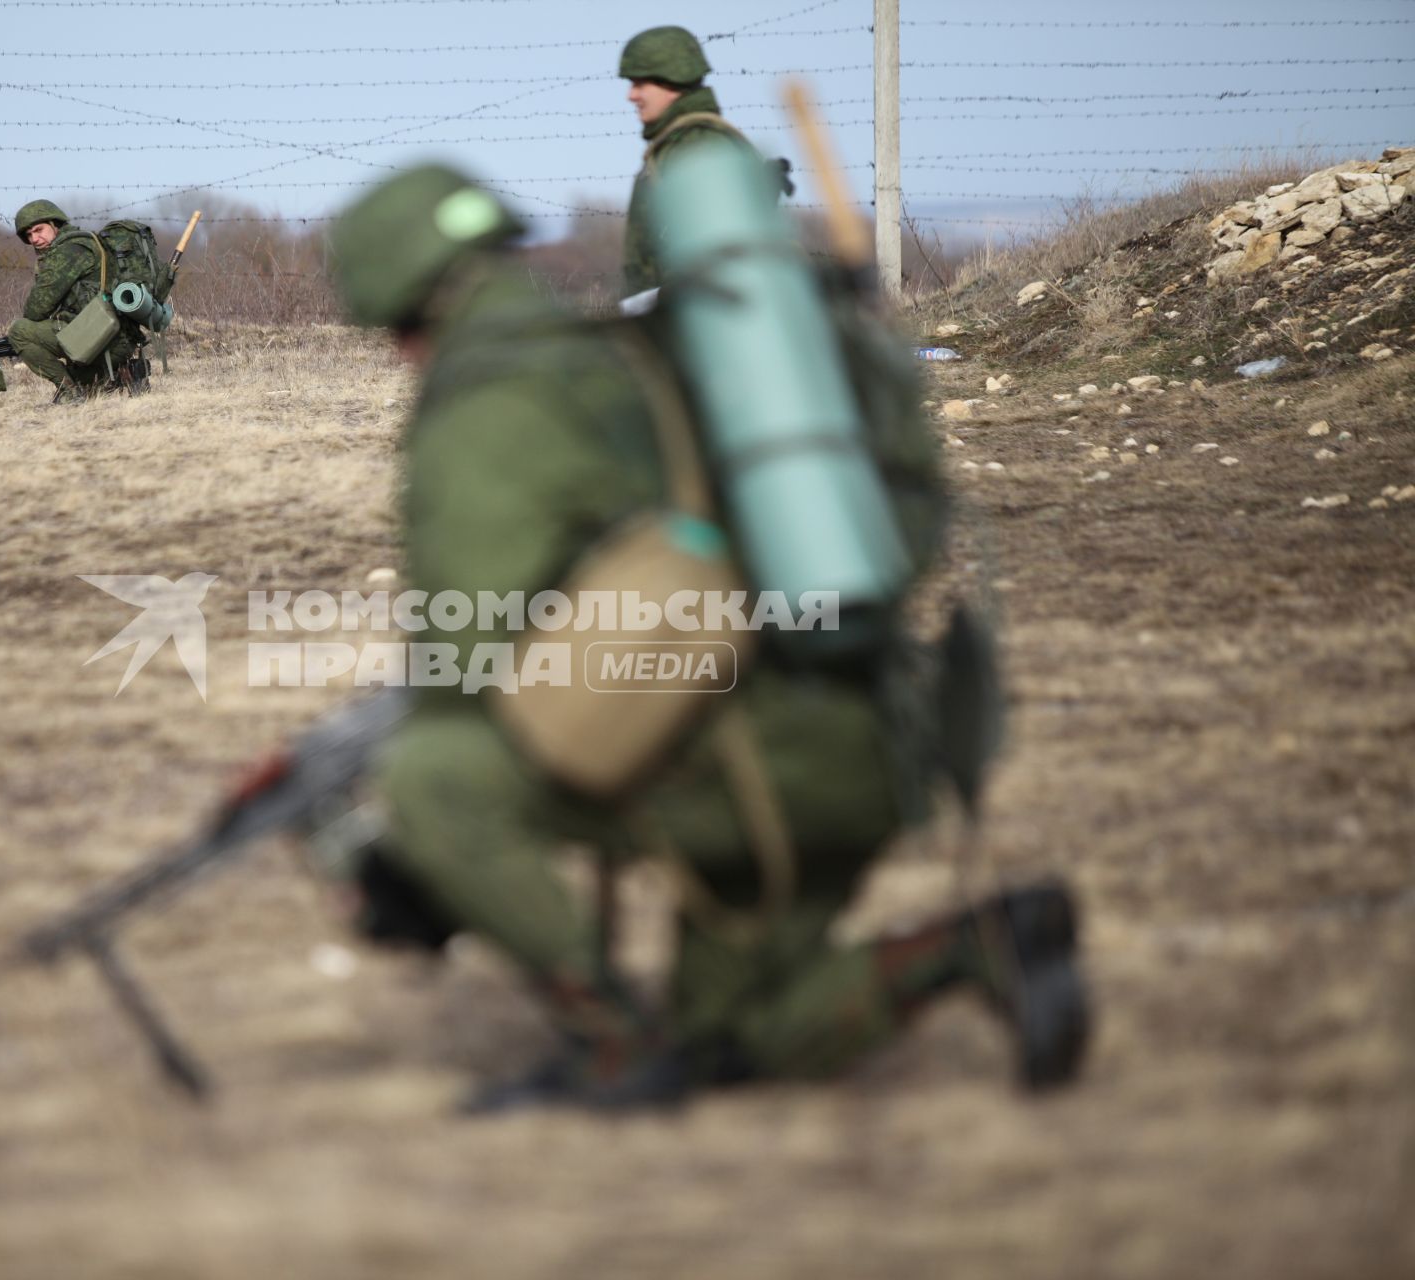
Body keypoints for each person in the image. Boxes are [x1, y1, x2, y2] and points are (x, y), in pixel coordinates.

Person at [326, 164, 1090, 1113]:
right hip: (872, 729)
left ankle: (610, 1048)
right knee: (731, 1039)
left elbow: (468, 647)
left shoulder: (490, 400)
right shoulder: (633, 344)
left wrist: (426, 857)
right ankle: (987, 947)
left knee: (436, 776)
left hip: (743, 765)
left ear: (405, 309)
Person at [619, 25, 792, 297]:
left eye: (641, 83)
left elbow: (719, 258)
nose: (631, 95)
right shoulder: (678, 143)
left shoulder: (697, 146)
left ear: (671, 82)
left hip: (696, 318)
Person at [8, 199, 143, 404]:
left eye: (39, 230)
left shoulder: (67, 251)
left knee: (19, 332)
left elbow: (35, 310)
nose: (34, 239)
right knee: (89, 387)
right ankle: (120, 374)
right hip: (117, 337)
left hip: (101, 339)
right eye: (29, 235)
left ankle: (70, 393)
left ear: (56, 224)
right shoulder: (85, 241)